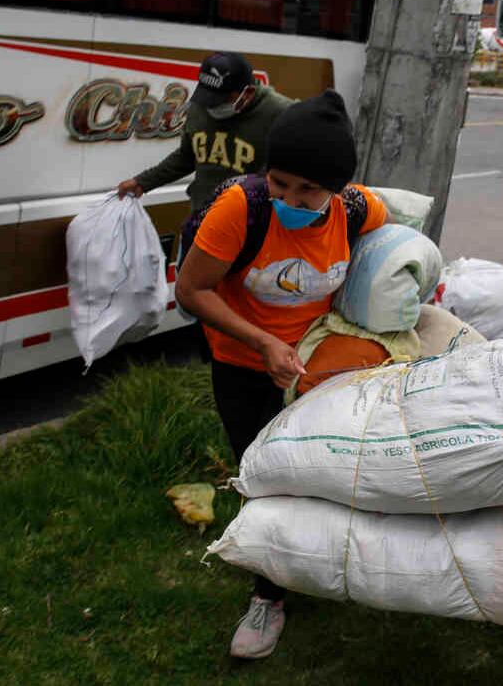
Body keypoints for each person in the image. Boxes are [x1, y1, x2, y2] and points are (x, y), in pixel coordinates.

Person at [174, 90, 387, 660]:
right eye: (280, 182)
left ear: (337, 187)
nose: (290, 199)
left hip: (317, 367)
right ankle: (268, 597)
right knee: (265, 478)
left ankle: (315, 562)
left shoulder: (357, 208)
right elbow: (191, 290)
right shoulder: (240, 209)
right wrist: (263, 341)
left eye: (308, 190)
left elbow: (395, 240)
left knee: (322, 472)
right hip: (244, 364)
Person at [116, 51, 293, 213]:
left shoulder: (282, 114)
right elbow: (187, 157)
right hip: (202, 214)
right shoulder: (201, 106)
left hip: (250, 220)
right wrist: (143, 182)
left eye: (221, 100)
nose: (211, 106)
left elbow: (287, 176)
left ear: (248, 92)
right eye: (208, 98)